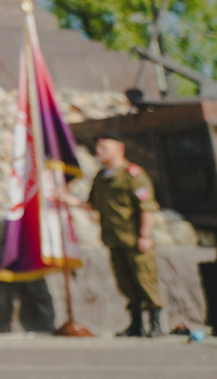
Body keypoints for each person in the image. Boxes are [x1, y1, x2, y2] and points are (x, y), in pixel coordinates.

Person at [83, 133, 163, 337]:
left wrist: (144, 235)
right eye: (97, 148)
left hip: (134, 240)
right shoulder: (102, 177)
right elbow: (92, 204)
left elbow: (146, 207)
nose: (98, 151)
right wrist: (65, 199)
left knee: (145, 280)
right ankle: (136, 325)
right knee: (126, 283)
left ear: (119, 148)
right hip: (114, 239)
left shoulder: (132, 175)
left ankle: (155, 324)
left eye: (104, 147)